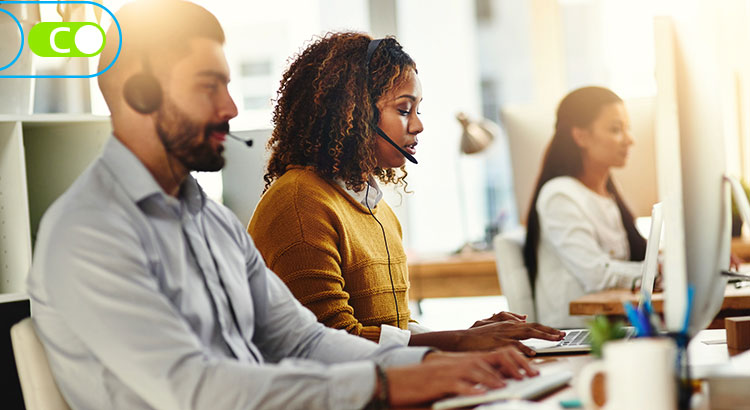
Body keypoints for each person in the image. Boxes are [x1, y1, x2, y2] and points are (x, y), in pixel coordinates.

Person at [26, 2, 539, 409]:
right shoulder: (89, 231)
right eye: (209, 87)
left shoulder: (210, 223)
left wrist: (431, 362)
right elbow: (195, 391)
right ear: (136, 90)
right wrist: (384, 385)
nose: (230, 108)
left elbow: (304, 341)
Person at [248, 32, 564, 355]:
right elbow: (331, 342)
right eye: (403, 110)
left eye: (417, 110)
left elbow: (394, 330)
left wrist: (468, 336)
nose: (418, 126)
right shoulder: (300, 203)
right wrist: (457, 342)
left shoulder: (379, 211)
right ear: (355, 112)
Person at [522, 86, 647, 329]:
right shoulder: (560, 195)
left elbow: (637, 256)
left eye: (627, 128)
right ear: (580, 136)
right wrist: (663, 272)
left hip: (612, 324)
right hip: (578, 335)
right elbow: (597, 275)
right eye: (616, 129)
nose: (629, 139)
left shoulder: (607, 193)